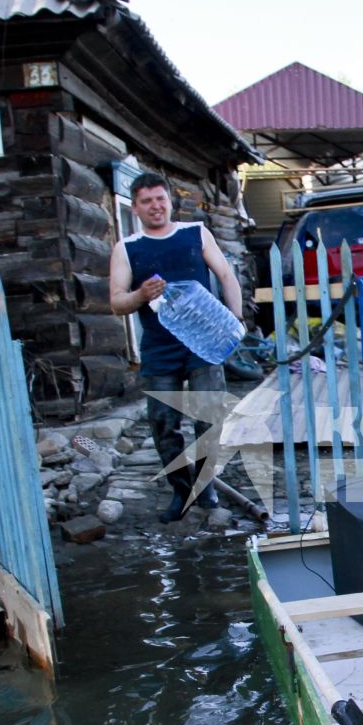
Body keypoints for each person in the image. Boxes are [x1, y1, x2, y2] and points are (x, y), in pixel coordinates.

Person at [109, 172, 243, 523]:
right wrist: (141, 295)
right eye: (146, 201)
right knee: (163, 423)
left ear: (170, 200)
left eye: (160, 198)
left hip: (203, 343)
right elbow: (117, 302)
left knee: (210, 418)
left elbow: (227, 277)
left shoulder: (195, 233)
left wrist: (236, 319)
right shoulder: (127, 248)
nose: (155, 206)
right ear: (135, 207)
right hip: (159, 348)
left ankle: (206, 486)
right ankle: (180, 489)